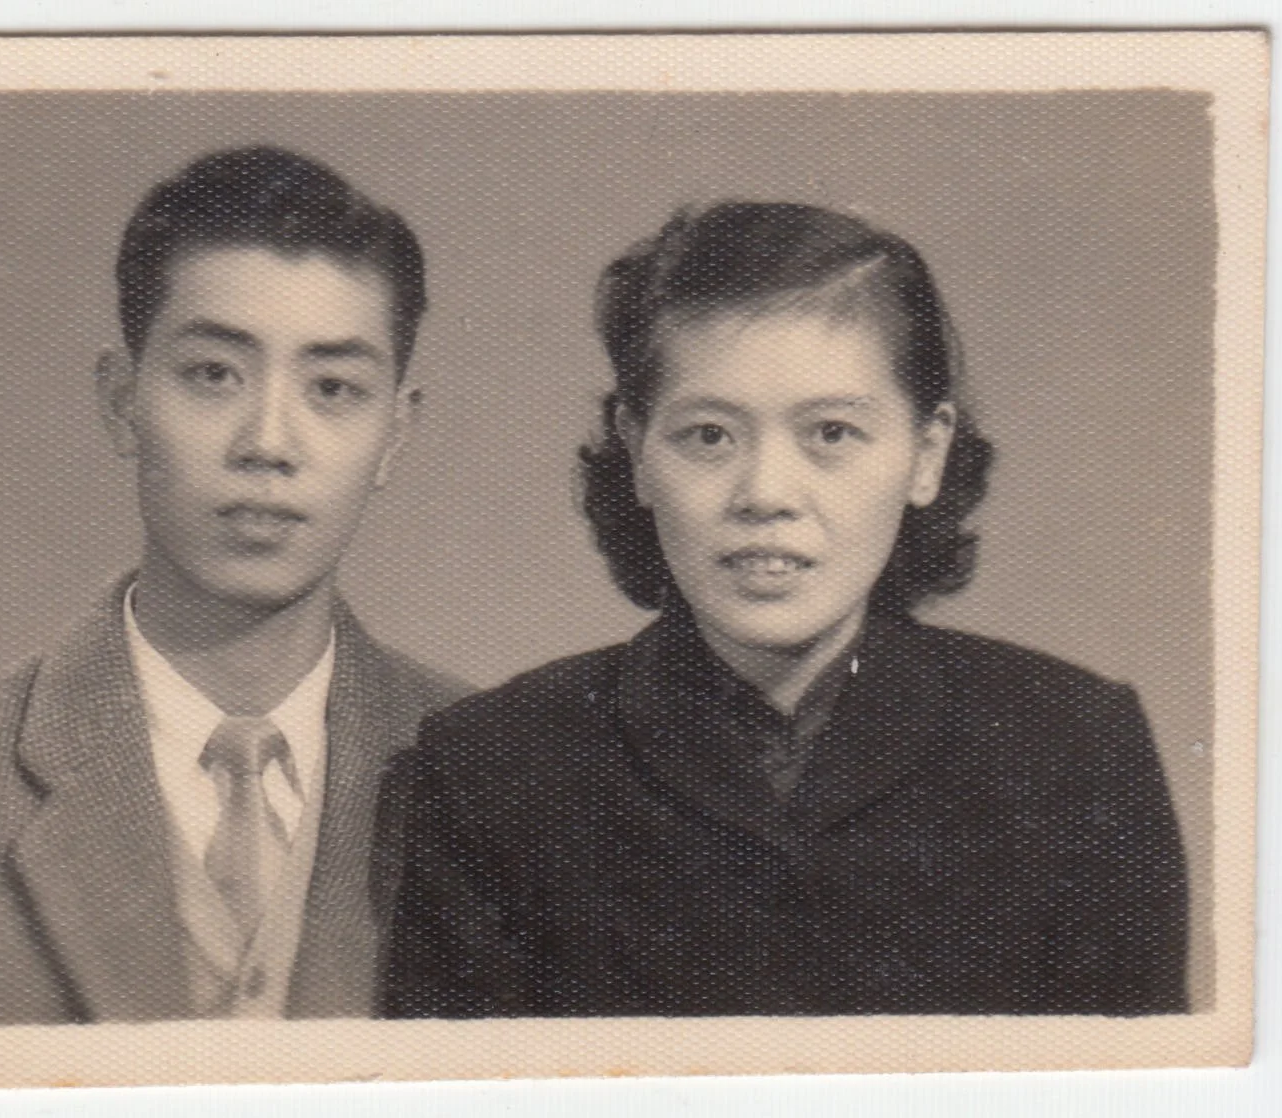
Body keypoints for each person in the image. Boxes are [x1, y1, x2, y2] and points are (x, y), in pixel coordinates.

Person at [381, 202, 1189, 1017]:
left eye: (831, 434)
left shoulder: (1074, 750)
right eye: (708, 437)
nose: (765, 494)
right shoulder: (495, 766)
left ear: (926, 454)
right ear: (635, 451)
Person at [0, 146, 468, 1025]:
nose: (267, 442)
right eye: (214, 374)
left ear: (396, 434)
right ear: (119, 400)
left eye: (333, 387)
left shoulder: (505, 780)